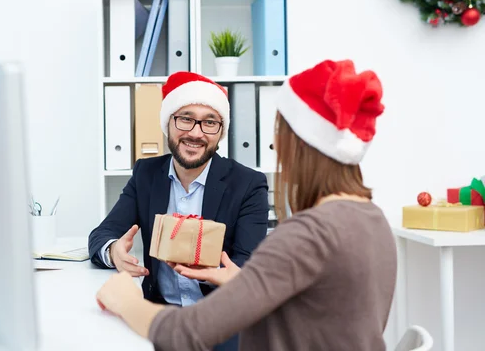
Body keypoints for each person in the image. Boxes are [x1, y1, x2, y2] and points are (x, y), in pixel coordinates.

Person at [95, 59, 398, 351]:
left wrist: (125, 299)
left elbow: (187, 333)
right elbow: (311, 314)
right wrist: (244, 283)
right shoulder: (373, 219)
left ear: (297, 144)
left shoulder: (307, 235)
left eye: (280, 132)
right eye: (185, 118)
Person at [88, 71, 269, 351]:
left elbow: (249, 267)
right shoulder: (146, 174)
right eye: (185, 118)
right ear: (168, 123)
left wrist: (212, 270)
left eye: (210, 122)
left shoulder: (248, 184)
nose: (195, 133)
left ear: (221, 132)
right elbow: (102, 235)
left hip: (221, 323)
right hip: (158, 317)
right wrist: (114, 253)